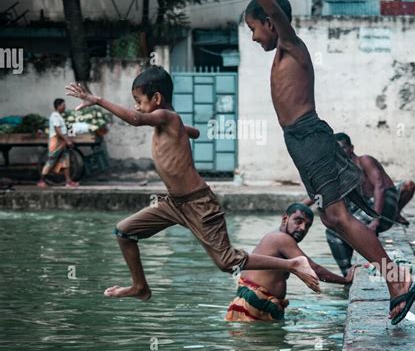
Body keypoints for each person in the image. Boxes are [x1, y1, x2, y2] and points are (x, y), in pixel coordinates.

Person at [211, 0, 415, 326]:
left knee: (338, 216)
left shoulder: (292, 45)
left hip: (310, 136)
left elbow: (276, 15)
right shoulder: (281, 51)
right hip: (301, 143)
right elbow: (275, 13)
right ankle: (395, 279)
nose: (255, 37)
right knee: (333, 219)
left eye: (254, 29)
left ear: (271, 25)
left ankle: (396, 280)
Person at [65, 67, 319, 302]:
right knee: (124, 232)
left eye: (140, 101)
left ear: (156, 99)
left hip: (198, 203)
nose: (137, 107)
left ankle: (293, 264)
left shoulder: (165, 116)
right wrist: (186, 131)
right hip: (174, 203)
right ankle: (140, 286)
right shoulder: (169, 121)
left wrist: (97, 100)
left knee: (227, 262)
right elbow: (194, 132)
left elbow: (133, 119)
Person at [226, 202, 357, 322]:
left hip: (255, 302)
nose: (302, 228)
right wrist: (344, 280)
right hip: (255, 302)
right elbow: (312, 268)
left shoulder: (278, 237)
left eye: (307, 225)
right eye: (298, 221)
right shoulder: (281, 238)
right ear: (285, 219)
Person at [318, 133, 415, 275]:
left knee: (335, 232)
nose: (339, 153)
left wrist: (376, 219)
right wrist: (303, 204)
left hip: (383, 207)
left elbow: (380, 186)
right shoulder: (342, 169)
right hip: (367, 208)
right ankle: (348, 272)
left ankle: (347, 274)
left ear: (351, 148)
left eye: (343, 148)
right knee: (337, 228)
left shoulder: (364, 161)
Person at [37, 98, 79, 189]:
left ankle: (68, 181)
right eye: (63, 105)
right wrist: (67, 140)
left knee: (65, 161)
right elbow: (58, 130)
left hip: (62, 141)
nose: (65, 107)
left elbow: (63, 130)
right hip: (56, 141)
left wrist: (67, 139)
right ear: (58, 106)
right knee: (51, 161)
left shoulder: (59, 116)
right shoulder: (55, 116)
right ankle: (41, 180)